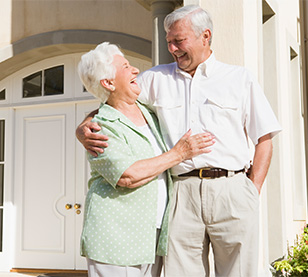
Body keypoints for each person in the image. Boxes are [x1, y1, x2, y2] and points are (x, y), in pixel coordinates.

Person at [76, 5, 282, 277]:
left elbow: (264, 138)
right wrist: (83, 127)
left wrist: (250, 192)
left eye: (179, 41)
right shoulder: (154, 79)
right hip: (181, 193)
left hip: (232, 189)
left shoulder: (239, 79)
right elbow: (116, 103)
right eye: (169, 42)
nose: (172, 48)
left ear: (205, 36)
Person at [77, 42, 215, 277]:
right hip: (116, 237)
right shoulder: (101, 126)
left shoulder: (147, 111)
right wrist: (179, 153)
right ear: (108, 83)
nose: (135, 71)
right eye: (126, 66)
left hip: (152, 233)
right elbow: (128, 176)